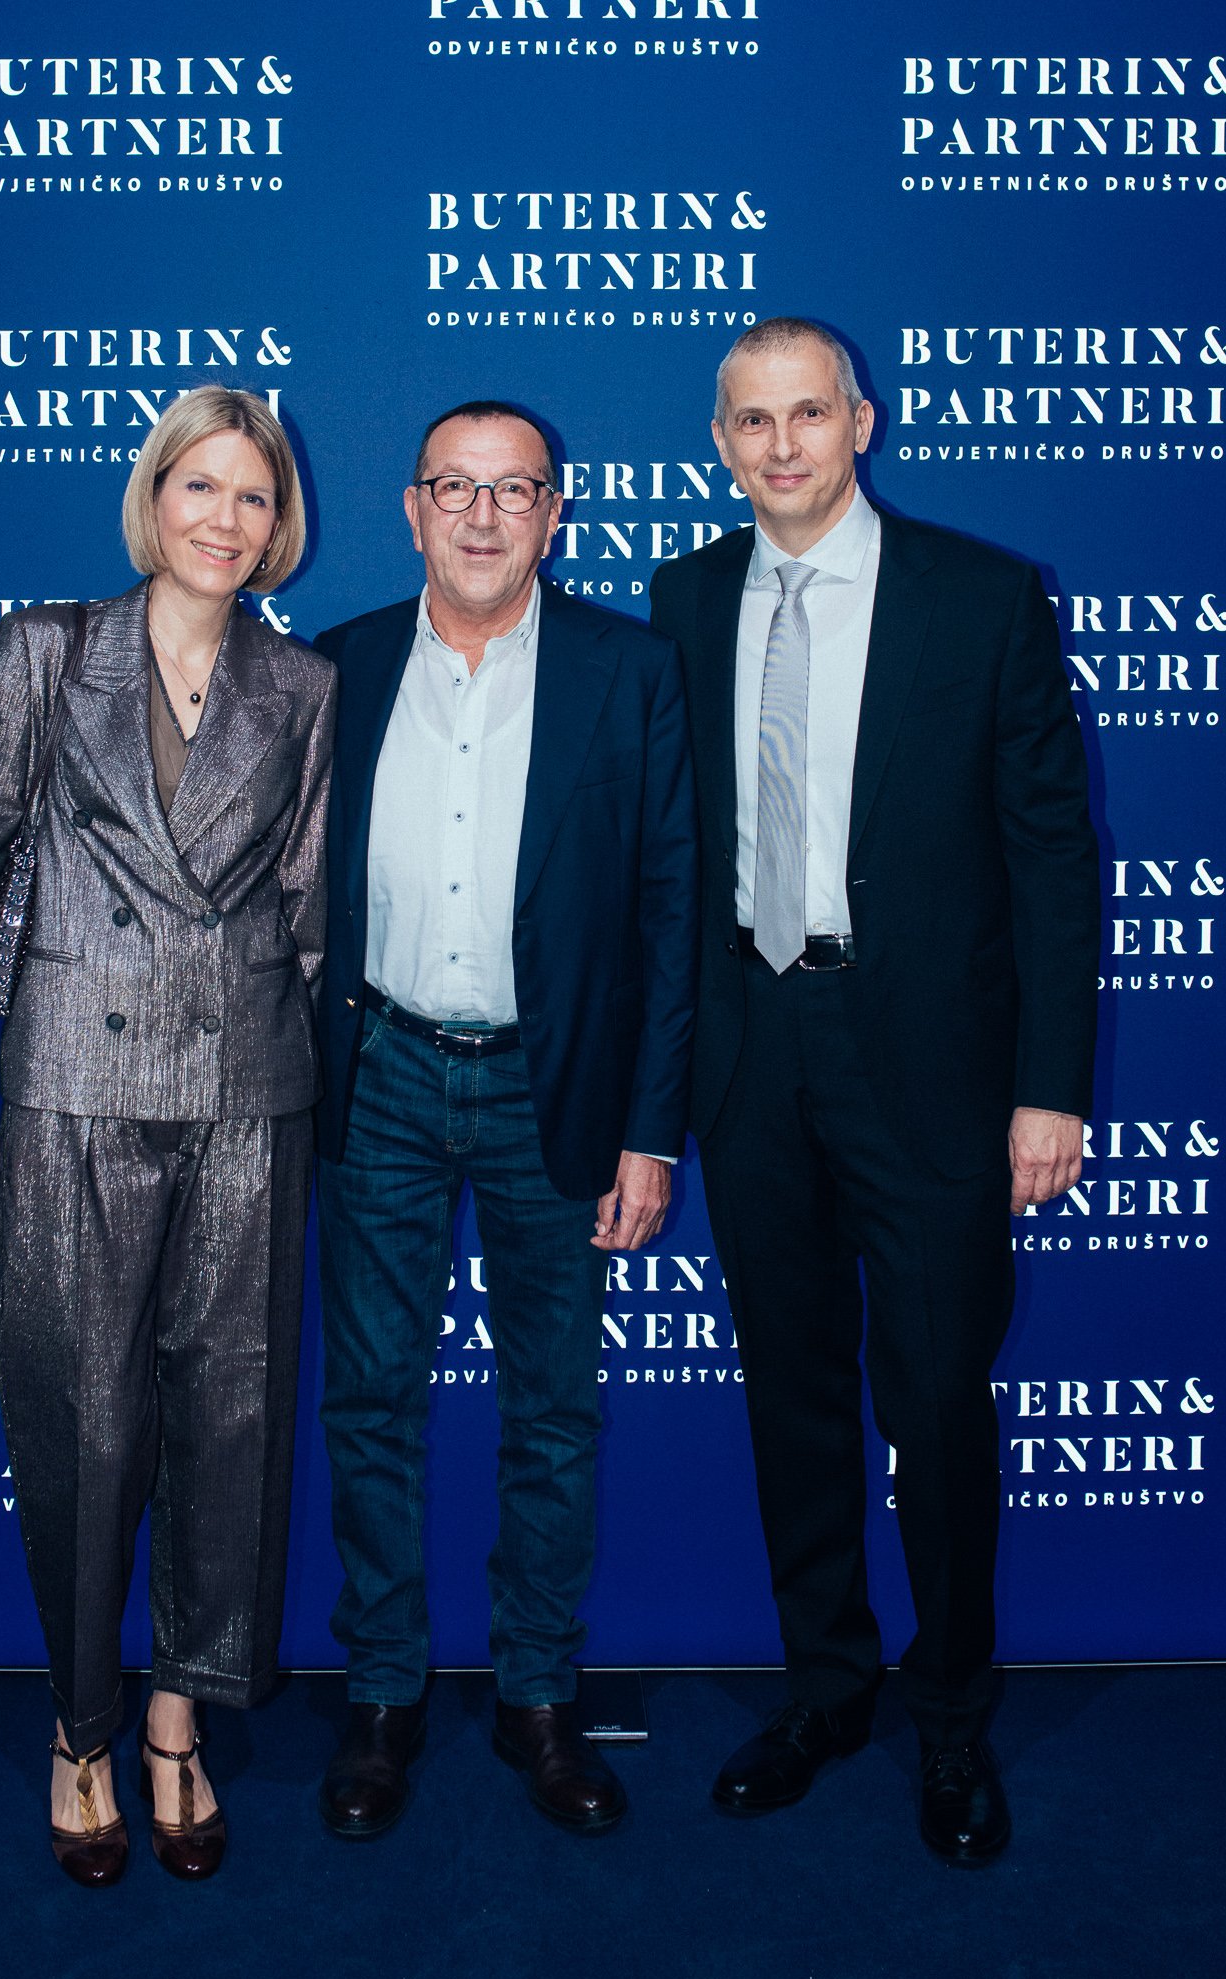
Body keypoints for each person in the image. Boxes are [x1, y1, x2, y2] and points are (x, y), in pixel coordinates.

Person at [650, 320, 1099, 1866]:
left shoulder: (982, 598)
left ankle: (954, 1723)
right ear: (721, 442)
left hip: (929, 1068)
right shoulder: (687, 598)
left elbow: (1052, 856)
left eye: (809, 415)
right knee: (793, 1396)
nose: (781, 445)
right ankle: (827, 1686)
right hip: (751, 1055)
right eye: (751, 421)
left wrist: (1051, 1087)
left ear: (865, 424)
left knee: (934, 1403)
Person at [0, 385, 336, 1886]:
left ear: (282, 528)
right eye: (200, 488)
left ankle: (175, 1723)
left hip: (244, 1092)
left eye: (255, 497)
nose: (226, 520)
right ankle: (80, 1732)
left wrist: (311, 1105)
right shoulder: (45, 650)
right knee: (80, 1426)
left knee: (230, 1429)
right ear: (152, 498)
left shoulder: (304, 691)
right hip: (71, 1094)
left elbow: (303, 917)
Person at [310, 401, 698, 1838]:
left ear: (555, 513)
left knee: (553, 1409)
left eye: (513, 490)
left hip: (562, 1083)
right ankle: (385, 1693)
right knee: (370, 1401)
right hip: (383, 1077)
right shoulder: (333, 669)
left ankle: (538, 1692)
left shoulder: (630, 673)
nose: (482, 516)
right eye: (455, 490)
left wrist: (650, 1134)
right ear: (411, 510)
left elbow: (671, 915)